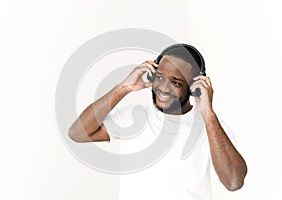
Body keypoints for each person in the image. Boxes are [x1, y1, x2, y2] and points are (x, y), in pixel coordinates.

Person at [68, 43, 247, 199]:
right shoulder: (134, 116)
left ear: (194, 88)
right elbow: (77, 133)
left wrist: (208, 114)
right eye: (159, 77)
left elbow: (233, 182)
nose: (162, 88)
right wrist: (124, 88)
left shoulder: (212, 128)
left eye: (176, 82)